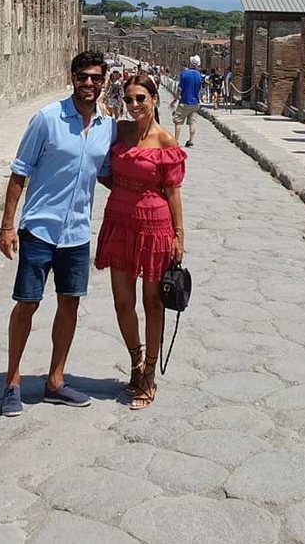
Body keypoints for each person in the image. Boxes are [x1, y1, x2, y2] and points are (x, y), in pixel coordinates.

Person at [0, 51, 117, 418]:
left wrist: (149, 194)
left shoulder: (106, 128)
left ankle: (55, 380)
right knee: (27, 304)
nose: (89, 85)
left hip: (77, 233)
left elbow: (107, 174)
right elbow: (20, 173)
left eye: (96, 78)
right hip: (40, 229)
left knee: (70, 306)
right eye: (83, 77)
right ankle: (13, 383)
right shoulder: (47, 120)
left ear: (104, 82)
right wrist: (6, 226)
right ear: (72, 78)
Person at [95, 73, 185, 410]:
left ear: (155, 99)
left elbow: (173, 192)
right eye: (129, 99)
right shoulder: (120, 130)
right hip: (119, 222)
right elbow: (102, 163)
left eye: (141, 99)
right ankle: (135, 360)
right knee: (122, 302)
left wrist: (179, 236)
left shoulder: (165, 143)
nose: (134, 106)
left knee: (152, 303)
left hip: (155, 228)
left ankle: (149, 374)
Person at [171, 55, 202, 147]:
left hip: (185, 101)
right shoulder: (199, 75)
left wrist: (175, 99)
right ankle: (191, 140)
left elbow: (180, 88)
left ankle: (176, 140)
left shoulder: (184, 74)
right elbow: (199, 90)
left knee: (178, 122)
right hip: (195, 102)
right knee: (192, 122)